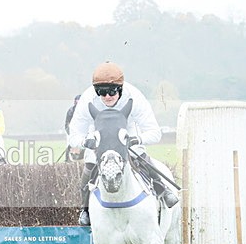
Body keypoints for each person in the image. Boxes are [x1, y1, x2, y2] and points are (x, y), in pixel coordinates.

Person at [68, 61, 179, 226]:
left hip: (126, 134)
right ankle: (85, 209)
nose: (107, 97)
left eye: (112, 91)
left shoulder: (134, 96)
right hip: (100, 136)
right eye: (101, 92)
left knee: (139, 156)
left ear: (120, 87)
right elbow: (73, 134)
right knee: (90, 163)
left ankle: (162, 189)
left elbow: (155, 133)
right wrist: (85, 141)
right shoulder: (87, 99)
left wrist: (137, 139)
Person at [64, 94, 83, 162]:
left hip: (81, 131)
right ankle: (67, 159)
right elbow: (67, 122)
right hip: (72, 131)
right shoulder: (71, 111)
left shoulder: (85, 111)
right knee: (69, 144)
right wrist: (68, 131)